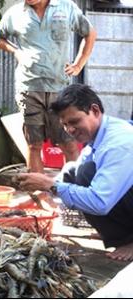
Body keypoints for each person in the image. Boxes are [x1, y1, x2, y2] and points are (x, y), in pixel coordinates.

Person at [17, 84, 133, 261]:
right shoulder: (98, 135)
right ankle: (117, 233)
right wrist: (42, 194)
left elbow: (100, 202)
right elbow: (70, 174)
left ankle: (128, 239)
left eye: (74, 122)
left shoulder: (119, 142)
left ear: (94, 110)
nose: (69, 130)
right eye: (64, 125)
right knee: (74, 170)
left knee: (86, 175)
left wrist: (50, 185)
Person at [0, 0, 97, 173]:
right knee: (33, 144)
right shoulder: (15, 13)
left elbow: (90, 33)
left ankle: (73, 191)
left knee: (69, 144)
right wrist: (16, 51)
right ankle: (38, 193)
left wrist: (79, 64)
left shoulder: (66, 7)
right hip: (28, 88)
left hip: (60, 90)